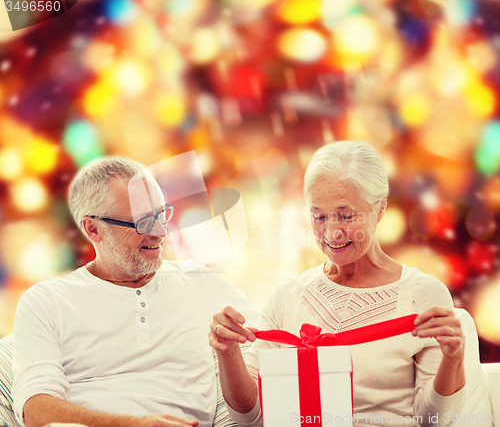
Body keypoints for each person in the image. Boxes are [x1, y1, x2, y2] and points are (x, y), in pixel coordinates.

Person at [209, 141, 466, 427]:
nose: (331, 232)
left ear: (380, 208)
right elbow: (252, 418)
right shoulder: (287, 296)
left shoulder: (423, 295)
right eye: (319, 216)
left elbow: (434, 421)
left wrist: (453, 359)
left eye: (346, 215)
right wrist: (227, 352)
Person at [12, 157, 260, 427]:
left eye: (161, 214)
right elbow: (34, 410)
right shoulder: (46, 301)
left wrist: (230, 351)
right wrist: (133, 425)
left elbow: (281, 344)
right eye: (142, 222)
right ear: (93, 229)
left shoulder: (199, 281)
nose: (161, 231)